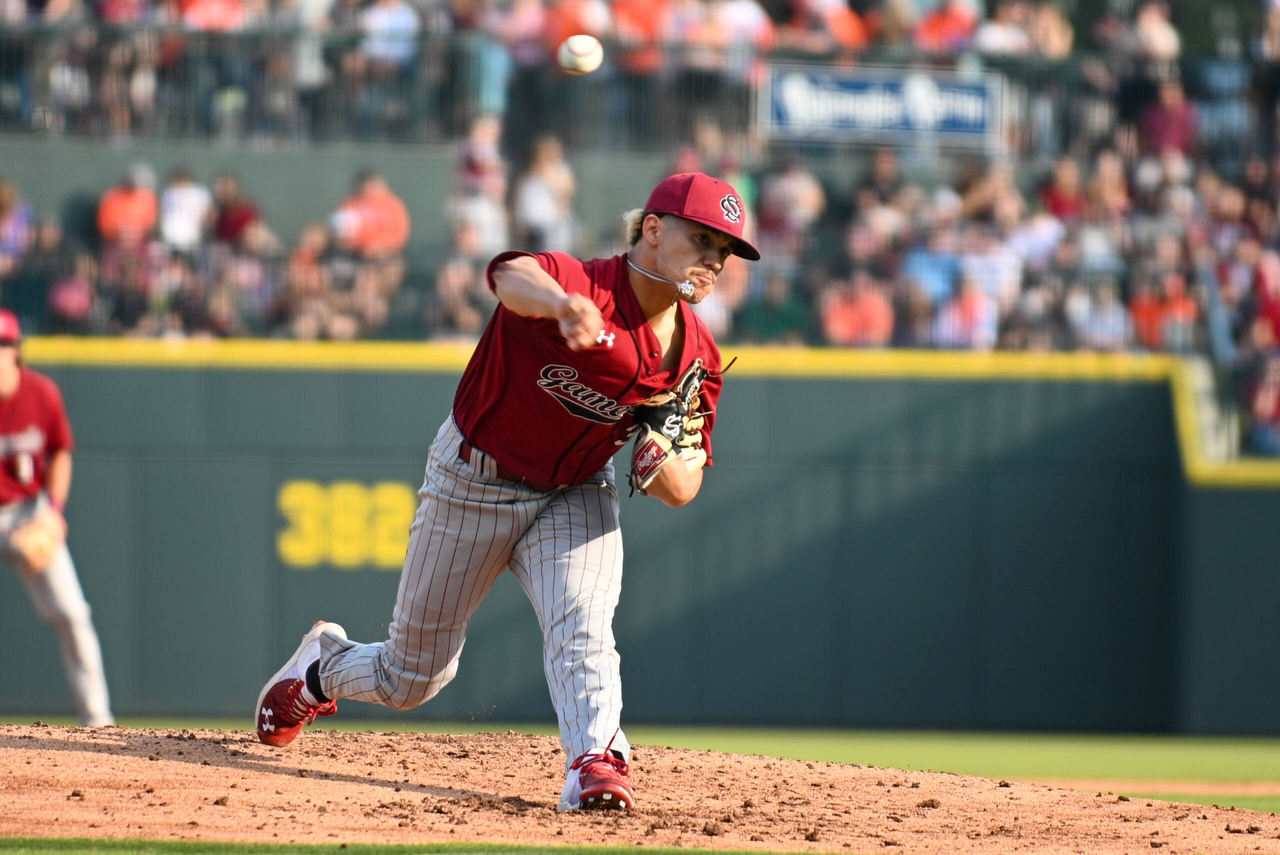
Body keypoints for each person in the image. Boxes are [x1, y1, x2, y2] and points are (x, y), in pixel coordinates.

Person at [254, 172, 759, 811]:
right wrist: (558, 304)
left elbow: (683, 485)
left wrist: (661, 460)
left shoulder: (696, 355)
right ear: (653, 231)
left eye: (725, 250)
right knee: (411, 678)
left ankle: (595, 763)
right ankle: (323, 666)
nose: (713, 259)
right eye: (702, 238)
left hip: (575, 490)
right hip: (475, 480)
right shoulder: (583, 284)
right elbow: (509, 276)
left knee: (584, 622)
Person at [0, 309, 113, 727]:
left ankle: (98, 723)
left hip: (28, 513)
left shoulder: (40, 393)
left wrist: (53, 512)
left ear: (17, 351)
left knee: (72, 615)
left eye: (3, 345)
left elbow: (61, 451)